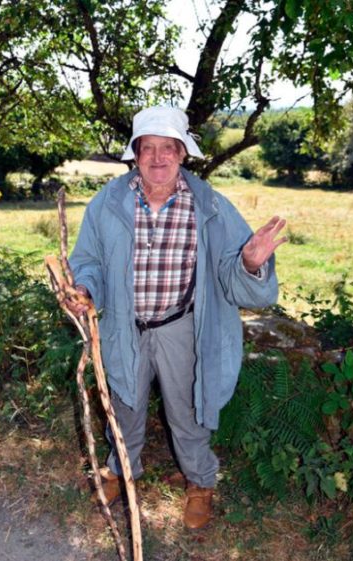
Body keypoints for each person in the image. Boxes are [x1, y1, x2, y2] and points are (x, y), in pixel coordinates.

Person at [65, 106, 286, 529]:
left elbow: (230, 271)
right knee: (123, 403)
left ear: (183, 153)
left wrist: (250, 263)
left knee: (187, 411)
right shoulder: (108, 203)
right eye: (149, 148)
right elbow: (89, 259)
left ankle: (200, 483)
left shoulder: (210, 206)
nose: (158, 158)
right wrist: (85, 289)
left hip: (179, 327)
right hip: (122, 327)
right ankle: (120, 470)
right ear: (135, 153)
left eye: (169, 148)